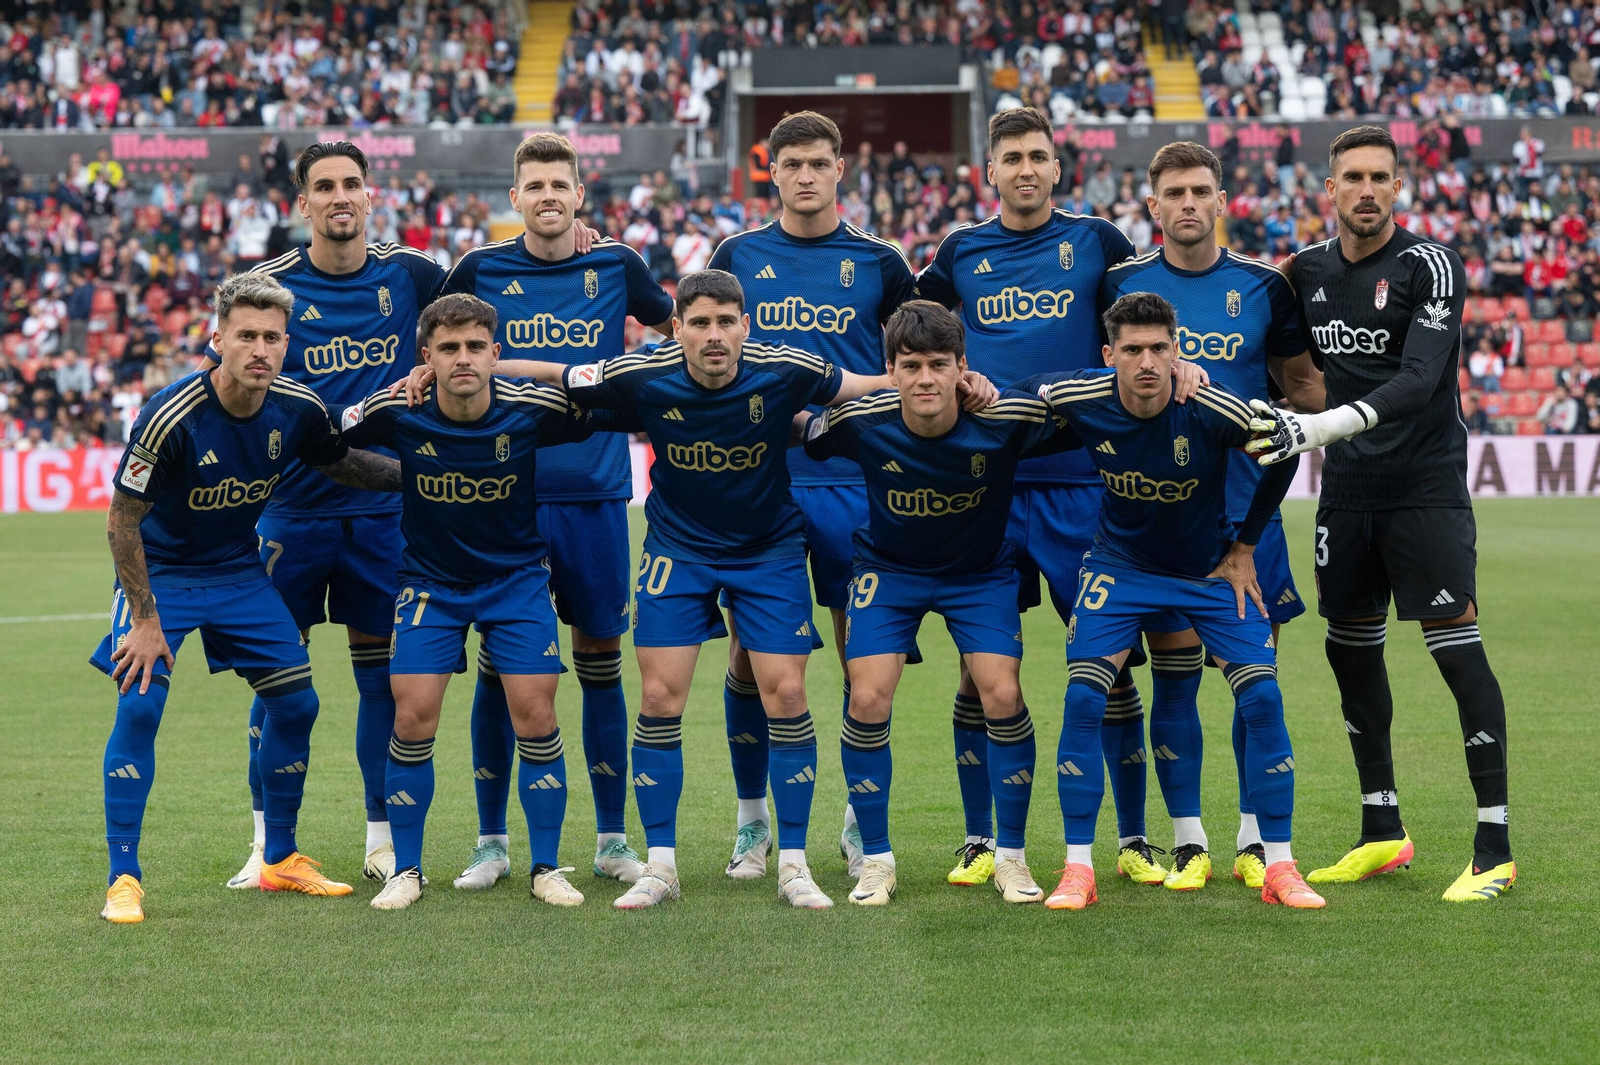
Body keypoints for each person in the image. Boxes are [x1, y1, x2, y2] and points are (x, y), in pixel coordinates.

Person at [513, 269, 994, 910]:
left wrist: (961, 383)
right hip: (678, 550)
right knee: (658, 693)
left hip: (768, 551)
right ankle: (662, 866)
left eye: (725, 322)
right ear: (676, 329)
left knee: (788, 690)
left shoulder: (786, 368)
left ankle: (793, 864)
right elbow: (552, 375)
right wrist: (472, 366)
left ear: (745, 325)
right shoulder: (640, 374)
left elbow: (869, 386)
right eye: (700, 323)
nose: (714, 336)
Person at [914, 106, 1200, 888]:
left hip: (1081, 482)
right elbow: (912, 329)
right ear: (992, 171)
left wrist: (1181, 363)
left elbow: (1151, 311)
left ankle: (1134, 837)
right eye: (1013, 157)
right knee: (980, 669)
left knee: (1107, 664)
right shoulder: (958, 252)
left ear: (1057, 166)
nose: (1028, 169)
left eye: (1040, 155)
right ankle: (980, 838)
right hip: (989, 485)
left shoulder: (1098, 242)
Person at [1251, 125, 1515, 902]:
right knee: (1349, 650)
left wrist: (1323, 426)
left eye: (1380, 177)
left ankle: (1494, 843)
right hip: (1348, 493)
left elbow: (1420, 379)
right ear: (1327, 190)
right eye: (1352, 178)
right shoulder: (1302, 272)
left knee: (1456, 652)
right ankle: (1381, 830)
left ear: (1398, 187)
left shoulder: (1429, 265)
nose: (1366, 190)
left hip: (1424, 487)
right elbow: (1277, 361)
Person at [94, 272, 403, 923]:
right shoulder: (169, 415)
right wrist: (145, 621)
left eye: (271, 337)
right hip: (164, 574)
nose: (260, 348)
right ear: (219, 339)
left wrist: (423, 473)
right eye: (246, 336)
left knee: (297, 704)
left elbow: (342, 464)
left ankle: (280, 859)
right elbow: (122, 520)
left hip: (238, 572)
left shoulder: (297, 407)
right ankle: (124, 876)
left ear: (285, 343)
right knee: (141, 706)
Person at [1020, 292, 1322, 911]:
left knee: (1262, 695)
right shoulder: (1083, 397)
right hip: (1120, 569)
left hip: (1206, 572)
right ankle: (1079, 868)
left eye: (1160, 347)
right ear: (1109, 356)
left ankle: (1281, 865)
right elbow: (1025, 397)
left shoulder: (1210, 406)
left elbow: (1285, 448)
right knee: (1084, 695)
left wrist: (1245, 546)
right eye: (1132, 350)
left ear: (1178, 351)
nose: (1147, 361)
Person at [203, 141, 451, 892]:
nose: (340, 196)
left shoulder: (412, 275)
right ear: (301, 203)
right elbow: (221, 386)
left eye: (352, 183)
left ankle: (380, 838)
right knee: (278, 685)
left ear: (371, 195)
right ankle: (268, 843)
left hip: (385, 518)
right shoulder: (267, 286)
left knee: (383, 684)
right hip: (290, 515)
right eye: (324, 187)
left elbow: (482, 305)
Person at [341, 294, 633, 911]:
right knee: (411, 716)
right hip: (429, 586)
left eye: (476, 347)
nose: (463, 359)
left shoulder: (529, 410)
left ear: (495, 353)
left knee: (536, 713)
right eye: (448, 349)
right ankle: (408, 870)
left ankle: (546, 867)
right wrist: (400, 473)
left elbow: (611, 401)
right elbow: (324, 437)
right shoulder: (398, 411)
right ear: (427, 358)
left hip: (517, 581)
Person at [437, 133, 673, 890]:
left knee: (600, 663)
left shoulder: (617, 265)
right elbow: (457, 351)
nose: (546, 195)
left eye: (559, 184)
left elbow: (675, 330)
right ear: (515, 197)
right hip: (498, 497)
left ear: (579, 194)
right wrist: (572, 371)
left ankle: (610, 839)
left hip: (596, 496)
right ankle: (490, 840)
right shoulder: (479, 269)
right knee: (499, 668)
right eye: (533, 184)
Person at [1098, 140, 1325, 891]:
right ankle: (1188, 836)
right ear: (1152, 204)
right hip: (1162, 510)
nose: (1188, 203)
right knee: (1176, 677)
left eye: (1201, 190)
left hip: (1248, 507)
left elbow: (1298, 387)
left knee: (1257, 675)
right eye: (1173, 192)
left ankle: (1255, 838)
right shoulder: (1124, 281)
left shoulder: (1266, 286)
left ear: (1221, 198)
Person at [797, 301, 1076, 906]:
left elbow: (1080, 405)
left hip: (978, 575)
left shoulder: (1002, 418)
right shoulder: (861, 419)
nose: (926, 378)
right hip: (888, 574)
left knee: (1001, 692)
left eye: (940, 365)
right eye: (912, 365)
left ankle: (1011, 857)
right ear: (890, 370)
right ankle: (875, 859)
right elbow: (803, 431)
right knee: (867, 695)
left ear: (961, 368)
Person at [707, 110, 915, 881]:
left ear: (838, 171)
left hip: (856, 484)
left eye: (818, 163)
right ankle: (751, 822)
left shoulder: (880, 261)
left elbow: (911, 363)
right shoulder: (737, 254)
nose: (804, 176)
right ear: (774, 171)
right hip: (760, 481)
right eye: (789, 164)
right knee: (750, 656)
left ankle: (862, 820)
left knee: (865, 657)